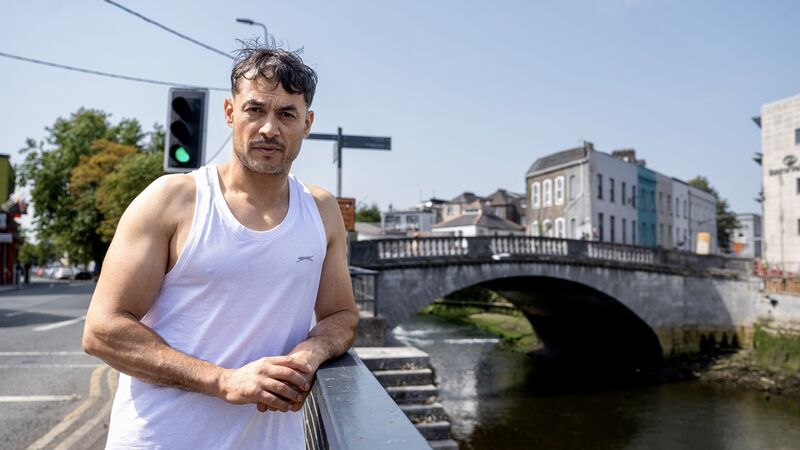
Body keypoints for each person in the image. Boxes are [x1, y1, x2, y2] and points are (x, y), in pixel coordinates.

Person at [82, 42, 359, 449]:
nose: (269, 128)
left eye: (287, 114)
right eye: (255, 109)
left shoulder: (321, 210)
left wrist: (312, 352)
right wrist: (223, 380)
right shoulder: (173, 199)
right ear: (230, 112)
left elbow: (342, 315)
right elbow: (102, 331)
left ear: (307, 123)